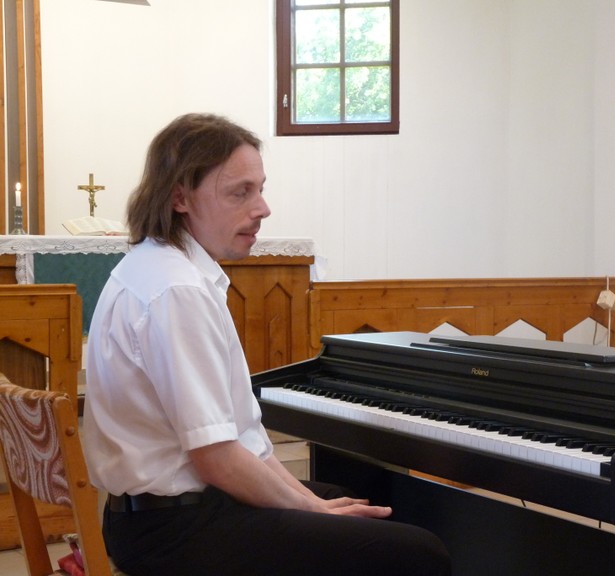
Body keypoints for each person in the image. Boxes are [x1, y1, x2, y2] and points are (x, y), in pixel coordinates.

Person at [83, 113, 452, 576]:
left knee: (352, 501)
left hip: (165, 514)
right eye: (240, 192)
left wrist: (314, 506)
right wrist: (312, 511)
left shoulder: (161, 267)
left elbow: (243, 441)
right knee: (419, 553)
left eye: (259, 189)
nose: (262, 208)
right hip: (174, 531)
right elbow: (217, 459)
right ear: (180, 197)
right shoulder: (176, 290)